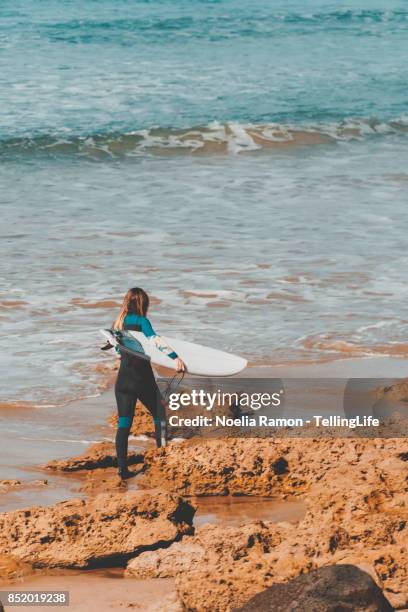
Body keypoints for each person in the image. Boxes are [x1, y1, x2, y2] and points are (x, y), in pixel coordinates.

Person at [112, 287, 185, 480]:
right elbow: (155, 341)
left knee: (124, 424)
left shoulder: (119, 322)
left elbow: (118, 352)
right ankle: (162, 455)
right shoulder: (142, 321)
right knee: (160, 412)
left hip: (122, 381)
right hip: (141, 379)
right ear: (143, 303)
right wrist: (175, 358)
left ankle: (122, 470)